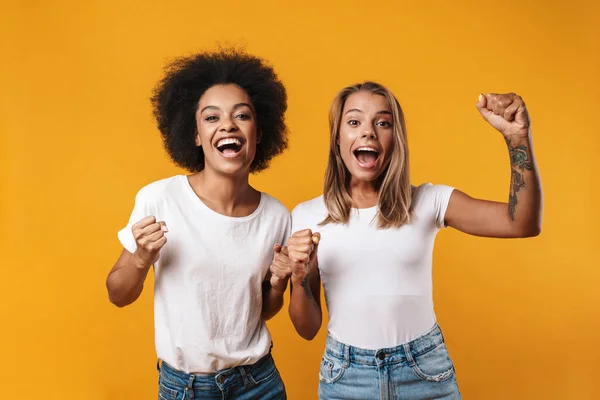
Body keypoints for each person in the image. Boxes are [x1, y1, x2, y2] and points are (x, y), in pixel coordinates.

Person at [286, 81, 542, 399]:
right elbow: (307, 329)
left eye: (383, 123)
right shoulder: (306, 216)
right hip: (346, 377)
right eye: (354, 122)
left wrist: (517, 138)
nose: (368, 132)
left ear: (396, 139)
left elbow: (522, 224)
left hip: (423, 373)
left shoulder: (428, 201)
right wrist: (298, 279)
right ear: (338, 139)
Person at [105, 49, 292, 400]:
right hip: (186, 388)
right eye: (211, 117)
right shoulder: (160, 199)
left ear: (259, 132)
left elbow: (258, 310)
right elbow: (117, 294)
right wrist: (141, 258)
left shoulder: (277, 216)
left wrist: (279, 284)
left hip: (258, 383)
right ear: (194, 135)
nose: (228, 125)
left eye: (242, 115)